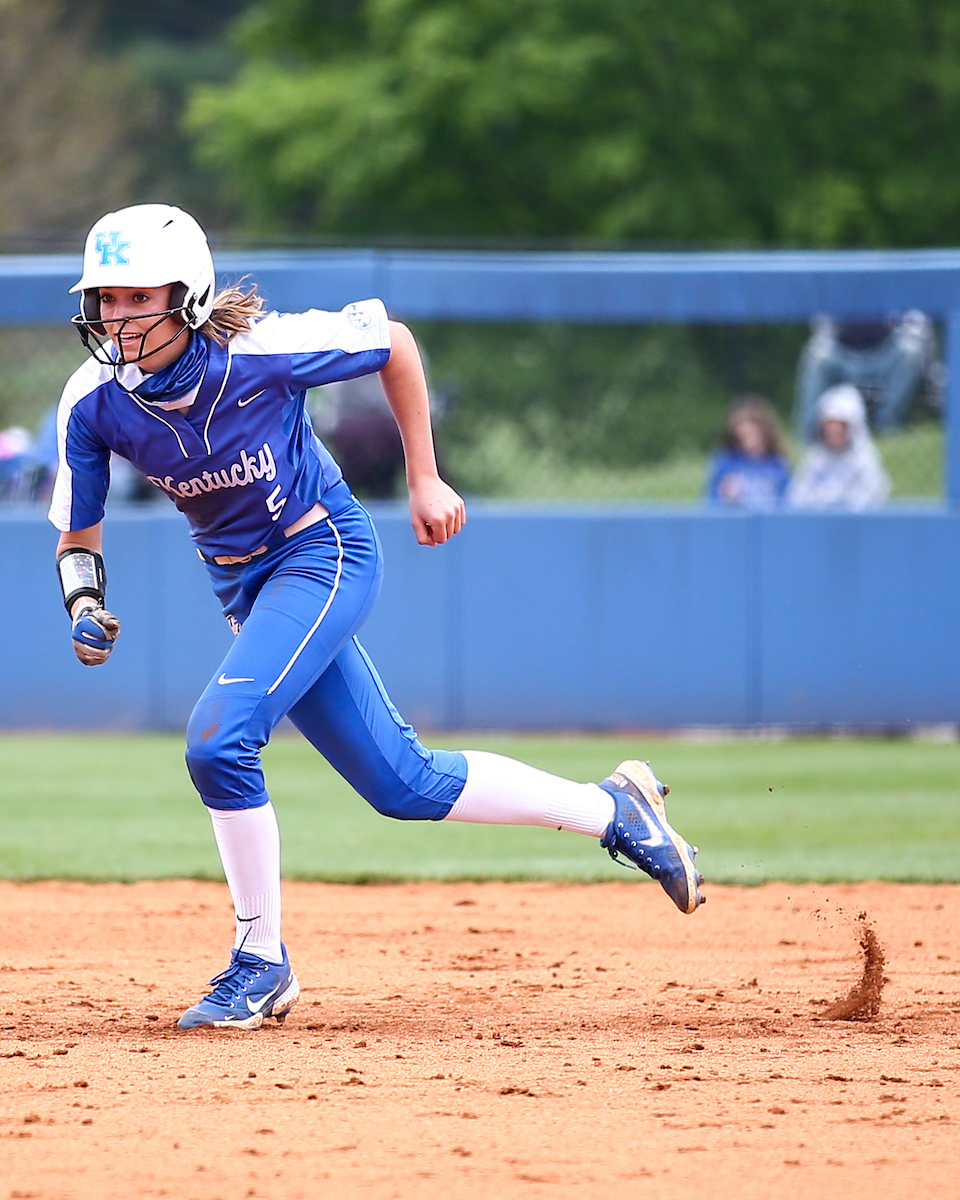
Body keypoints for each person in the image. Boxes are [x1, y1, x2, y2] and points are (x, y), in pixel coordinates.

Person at [50, 205, 704, 1031]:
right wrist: (83, 602)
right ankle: (617, 810)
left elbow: (394, 341)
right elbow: (78, 534)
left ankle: (260, 962)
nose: (117, 317)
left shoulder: (260, 351)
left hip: (321, 552)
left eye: (136, 297)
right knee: (405, 784)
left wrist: (424, 476)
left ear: (188, 294)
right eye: (105, 299)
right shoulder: (93, 401)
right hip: (244, 588)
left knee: (217, 738)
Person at [794, 312, 937, 440]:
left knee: (911, 350)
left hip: (887, 350)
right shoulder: (837, 285)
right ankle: (809, 436)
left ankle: (886, 428)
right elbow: (821, 323)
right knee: (818, 355)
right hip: (842, 353)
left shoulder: (895, 283)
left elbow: (918, 319)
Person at [788, 384, 890, 511]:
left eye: (839, 424)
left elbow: (873, 497)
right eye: (829, 424)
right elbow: (798, 496)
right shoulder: (815, 458)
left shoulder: (865, 460)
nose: (833, 430)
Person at [705, 396, 790, 510]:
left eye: (753, 424)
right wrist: (727, 501)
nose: (746, 430)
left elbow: (788, 507)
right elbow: (710, 508)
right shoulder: (725, 463)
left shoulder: (778, 465)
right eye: (741, 425)